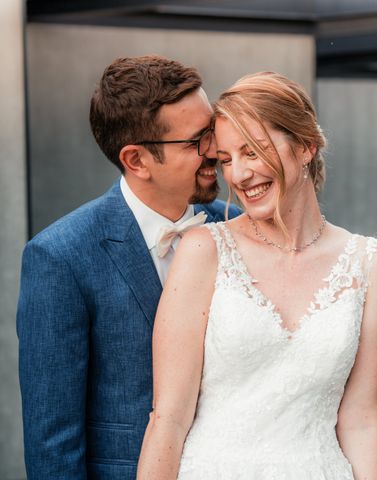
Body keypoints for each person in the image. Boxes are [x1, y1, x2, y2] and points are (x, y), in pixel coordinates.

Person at [137, 72, 377, 479]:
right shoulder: (203, 250)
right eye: (225, 160)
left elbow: (362, 417)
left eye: (253, 152)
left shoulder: (372, 263)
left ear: (306, 146)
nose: (238, 175)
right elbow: (168, 418)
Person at [16, 55, 240, 479]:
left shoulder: (235, 226)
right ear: (136, 160)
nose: (215, 149)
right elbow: (52, 437)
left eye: (212, 130)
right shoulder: (60, 257)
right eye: (196, 141)